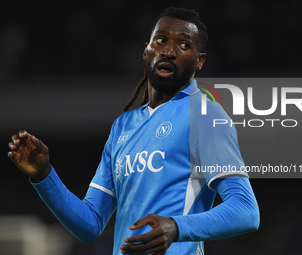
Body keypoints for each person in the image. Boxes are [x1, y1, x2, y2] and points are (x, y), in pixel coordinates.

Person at [8, 7, 260, 255]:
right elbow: (90, 224)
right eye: (161, 40)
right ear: (146, 50)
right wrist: (44, 175)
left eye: (183, 45)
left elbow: (246, 211)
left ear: (199, 60)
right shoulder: (122, 127)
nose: (169, 51)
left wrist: (176, 226)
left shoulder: (204, 114)